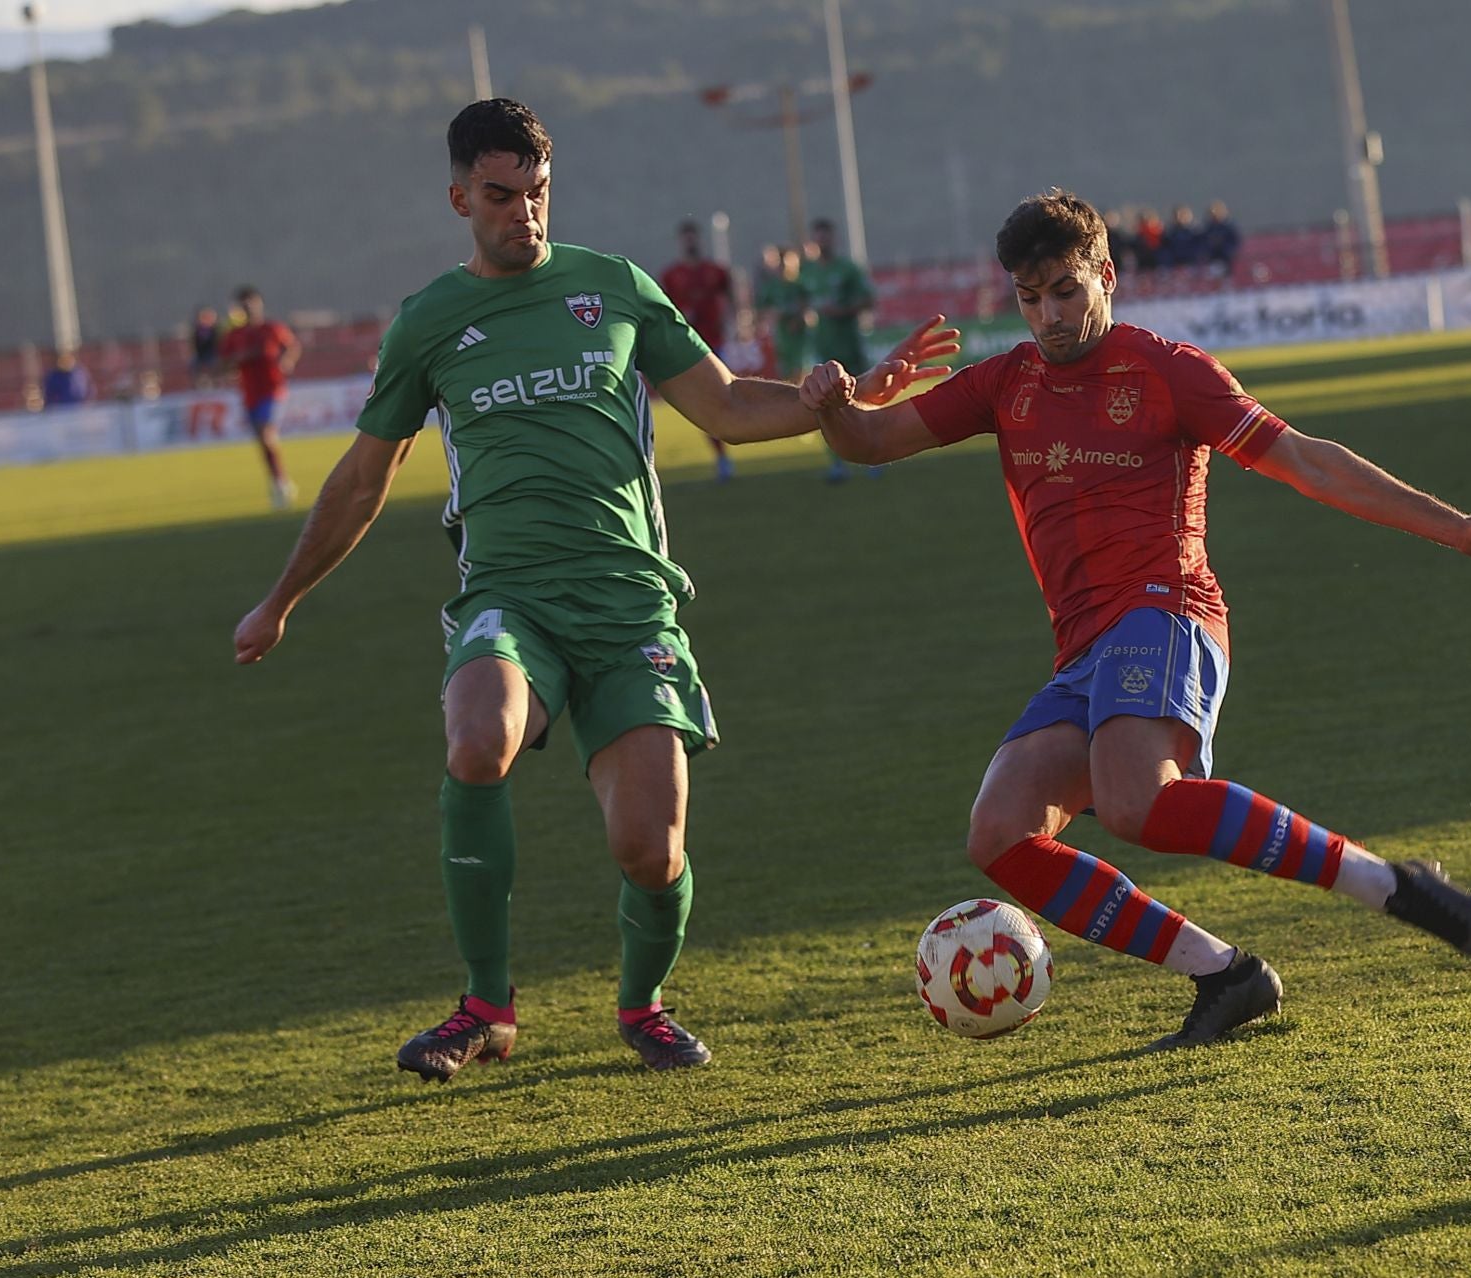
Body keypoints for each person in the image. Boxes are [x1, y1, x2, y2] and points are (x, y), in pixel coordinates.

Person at [231, 98, 954, 1081]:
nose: (523, 214)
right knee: (477, 736)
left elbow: (730, 405)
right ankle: (487, 1003)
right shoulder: (430, 322)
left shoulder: (613, 289)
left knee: (649, 851)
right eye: (499, 196)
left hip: (628, 607)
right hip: (510, 595)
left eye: (537, 194)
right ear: (458, 198)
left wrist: (839, 398)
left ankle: (642, 1003)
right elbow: (364, 477)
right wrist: (282, 598)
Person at [800, 189, 1471, 1048]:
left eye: (1064, 289)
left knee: (1136, 802)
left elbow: (1308, 461)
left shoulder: (1167, 370)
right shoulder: (1004, 382)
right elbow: (866, 443)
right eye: (1028, 297)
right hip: (1083, 649)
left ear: (1106, 276)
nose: (1048, 315)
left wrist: (1454, 526)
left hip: (1167, 614)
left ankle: (1392, 886)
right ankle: (1225, 975)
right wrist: (841, 402)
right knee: (1000, 834)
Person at [799, 217, 876, 481]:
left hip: (850, 345)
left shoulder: (848, 269)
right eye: (818, 236)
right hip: (822, 348)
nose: (822, 241)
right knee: (825, 406)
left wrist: (842, 311)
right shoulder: (806, 272)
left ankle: (874, 457)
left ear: (833, 238)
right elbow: (800, 303)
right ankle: (837, 462)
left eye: (826, 236)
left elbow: (868, 300)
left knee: (864, 399)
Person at [660, 220, 737, 481]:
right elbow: (664, 309)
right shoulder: (672, 275)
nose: (690, 242)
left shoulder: (714, 271)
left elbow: (731, 297)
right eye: (686, 238)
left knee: (722, 396)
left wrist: (734, 321)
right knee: (705, 403)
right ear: (681, 241)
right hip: (689, 348)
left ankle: (727, 451)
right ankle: (722, 456)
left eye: (693, 237)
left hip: (715, 344)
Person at [219, 286, 303, 507]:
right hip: (249, 393)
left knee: (266, 433)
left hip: (272, 390)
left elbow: (292, 346)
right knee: (262, 441)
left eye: (251, 303)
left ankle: (281, 485)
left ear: (259, 304)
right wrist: (241, 358)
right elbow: (224, 364)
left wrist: (287, 361)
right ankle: (278, 480)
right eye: (243, 304)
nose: (248, 308)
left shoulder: (272, 328)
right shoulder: (234, 335)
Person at [753, 243, 811, 382]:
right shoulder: (772, 288)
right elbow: (761, 311)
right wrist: (772, 315)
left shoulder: (800, 285)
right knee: (785, 370)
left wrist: (799, 318)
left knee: (802, 368)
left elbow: (810, 309)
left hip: (800, 337)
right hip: (781, 335)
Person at [1201, 200, 1242, 276]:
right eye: (1212, 213)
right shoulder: (1208, 228)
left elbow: (1235, 243)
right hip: (1212, 258)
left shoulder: (1229, 227)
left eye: (1217, 212)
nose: (1215, 215)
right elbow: (1203, 244)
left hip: (1225, 258)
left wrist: (1223, 247)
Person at [190, 305, 225, 387]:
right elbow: (194, 345)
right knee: (193, 364)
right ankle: (198, 385)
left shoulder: (215, 330)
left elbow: (218, 344)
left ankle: (217, 383)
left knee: (216, 363)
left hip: (213, 354)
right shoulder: (197, 331)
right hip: (201, 355)